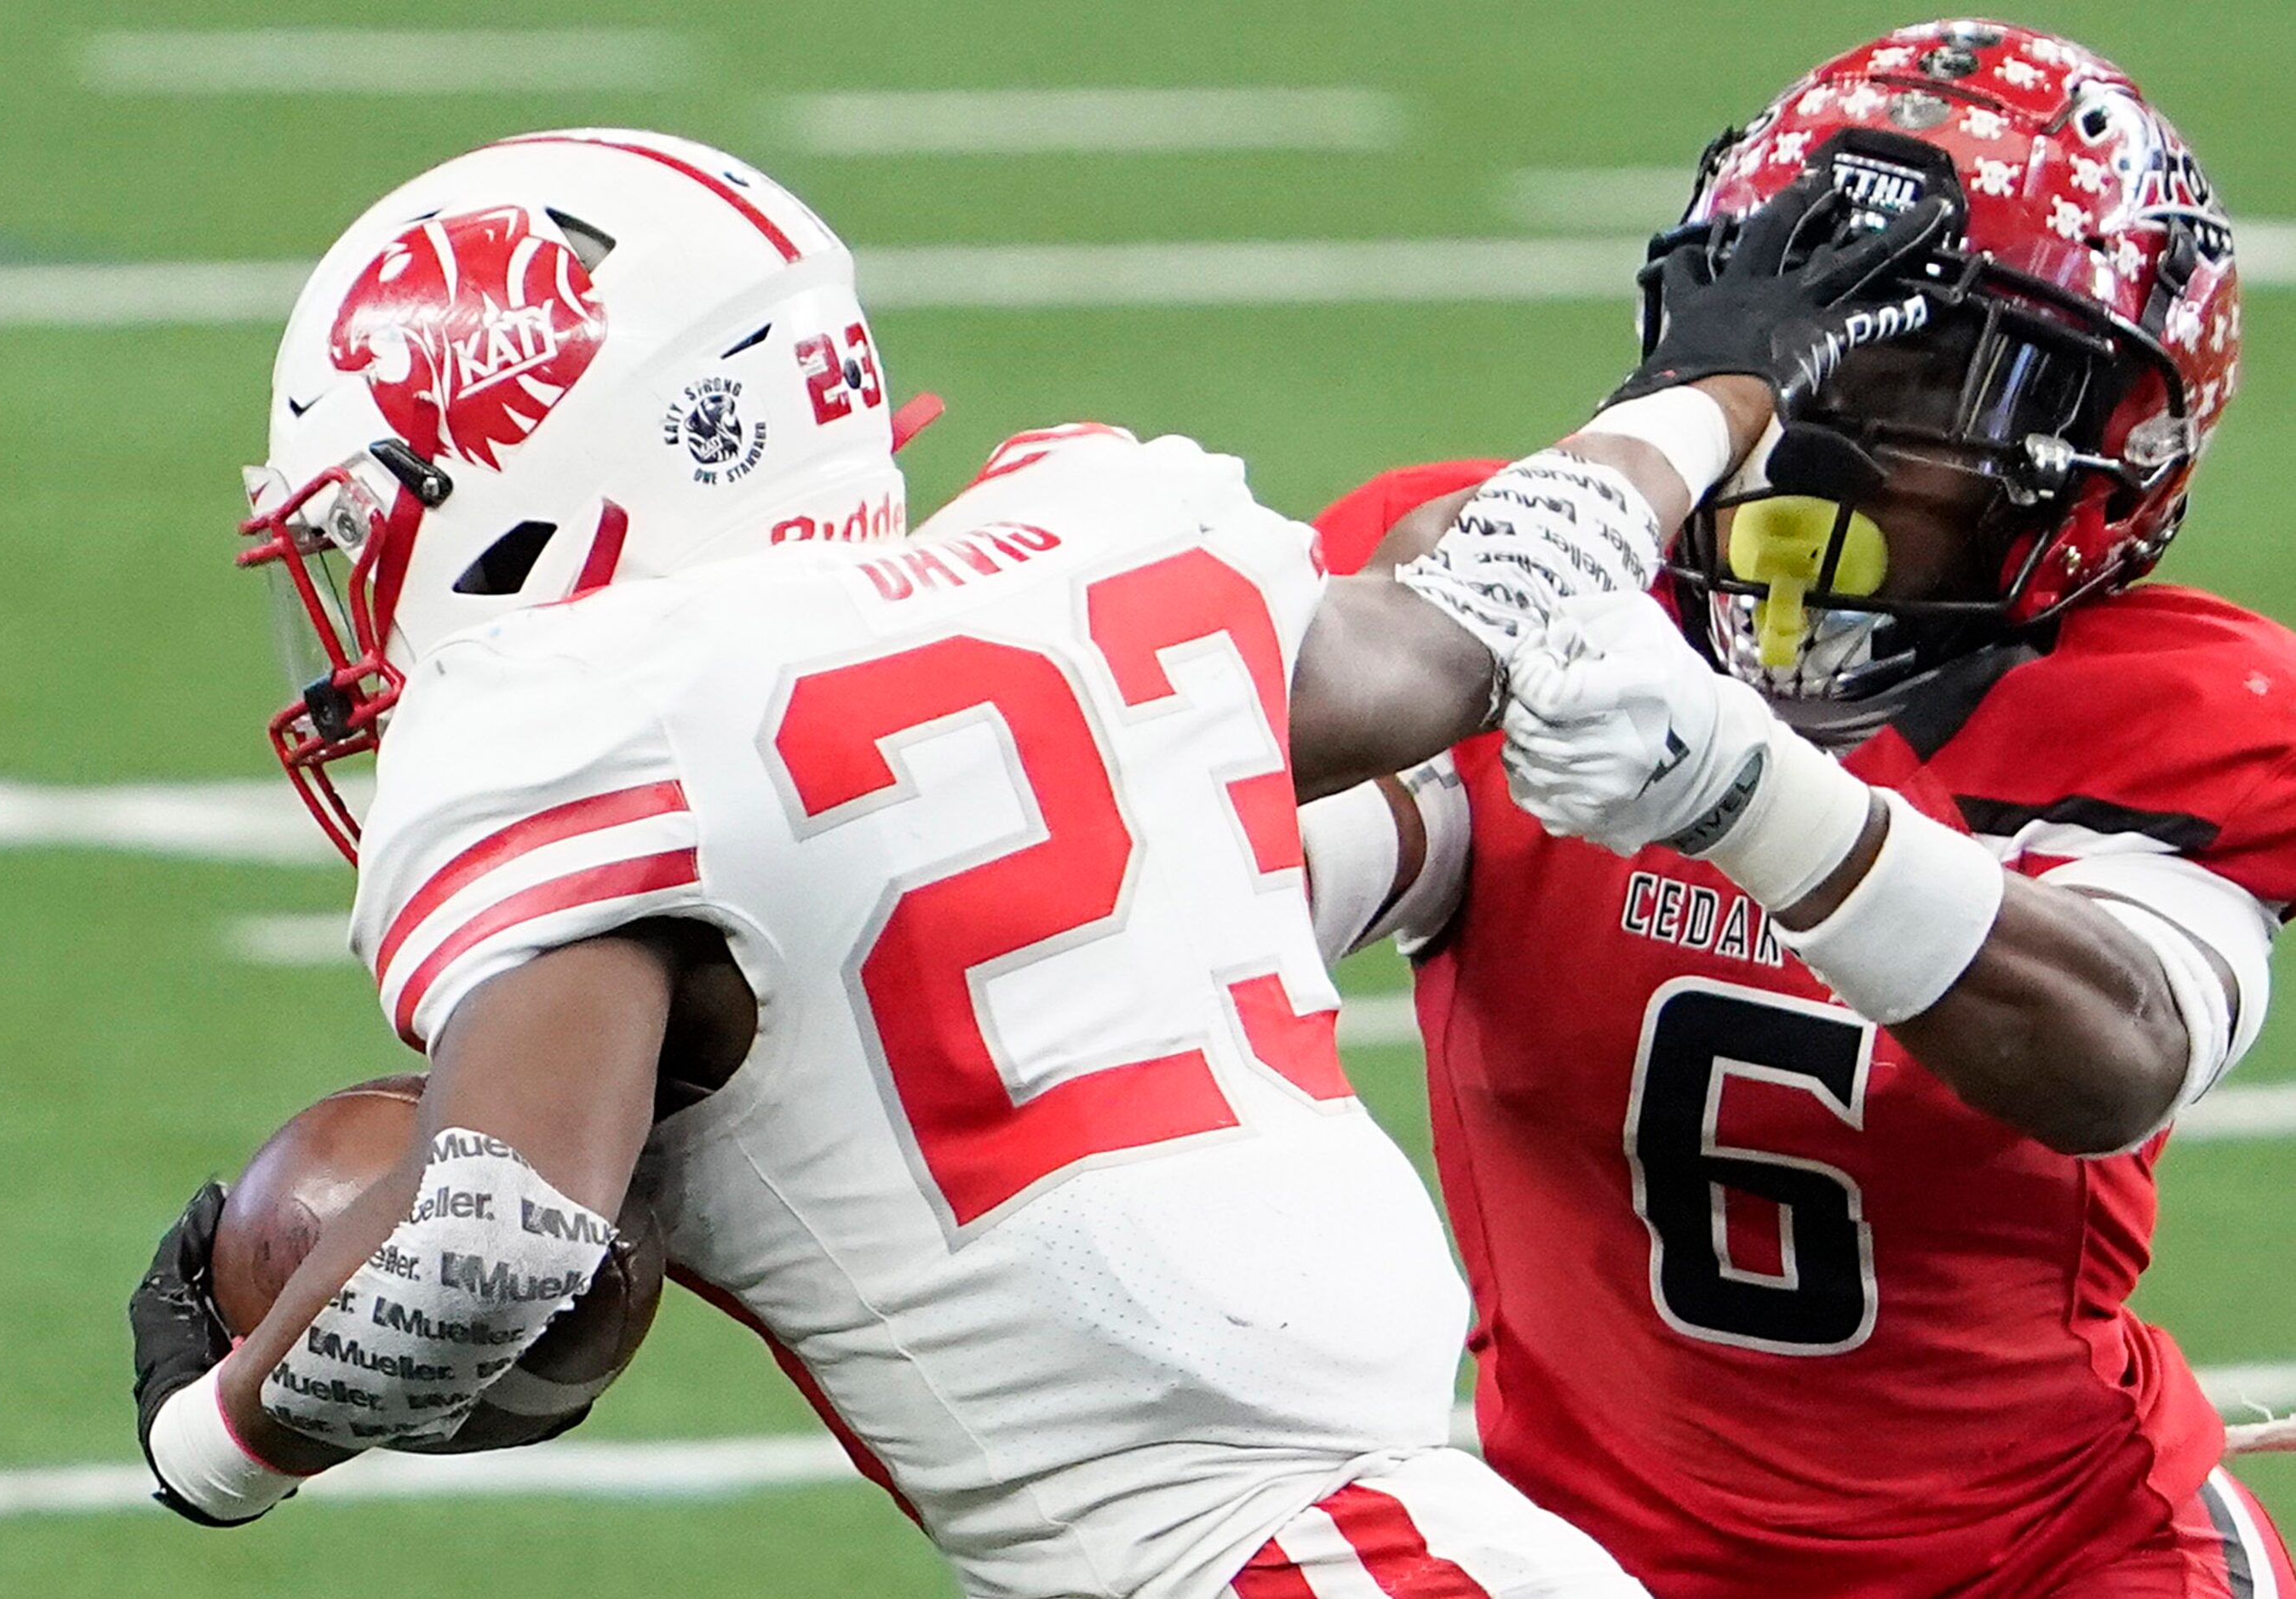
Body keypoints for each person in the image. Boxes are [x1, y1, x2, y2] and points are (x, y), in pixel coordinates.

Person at [123, 129, 1940, 1597]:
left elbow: (499, 1244)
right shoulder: (1090, 538)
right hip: (1397, 1532)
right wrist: (1710, 388)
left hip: (1249, 1554)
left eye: (376, 524)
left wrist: (209, 1444)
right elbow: (1447, 638)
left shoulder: (577, 718)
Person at [1300, 21, 2296, 1598]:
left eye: (1917, 387)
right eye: (1785, 355)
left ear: (2095, 452)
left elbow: (2116, 1054)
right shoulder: (1535, 602)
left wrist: (1744, 792)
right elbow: (1258, 866)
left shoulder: (2171, 716)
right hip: (1567, 1558)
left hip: (2046, 1563)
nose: (1811, 440)